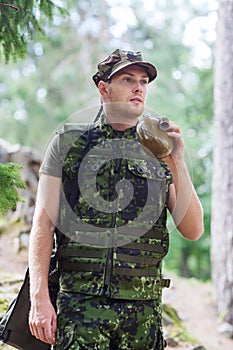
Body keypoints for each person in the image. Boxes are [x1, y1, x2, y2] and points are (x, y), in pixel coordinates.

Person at [28, 49, 204, 350]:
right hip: (80, 307)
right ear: (103, 88)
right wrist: (39, 298)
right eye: (127, 79)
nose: (139, 88)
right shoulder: (68, 142)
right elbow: (43, 224)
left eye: (144, 81)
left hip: (142, 313)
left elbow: (192, 229)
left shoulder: (159, 149)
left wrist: (177, 159)